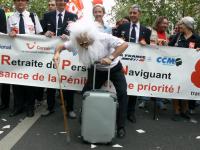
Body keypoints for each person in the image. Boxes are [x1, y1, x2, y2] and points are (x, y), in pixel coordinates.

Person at [53, 20, 128, 138]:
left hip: (113, 68)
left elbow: (124, 44)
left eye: (86, 42)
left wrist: (111, 57)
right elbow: (60, 46)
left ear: (91, 36)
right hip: (96, 69)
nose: (84, 45)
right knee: (86, 93)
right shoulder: (78, 40)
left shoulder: (104, 37)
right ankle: (86, 117)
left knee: (122, 93)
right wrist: (57, 54)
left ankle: (121, 126)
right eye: (81, 44)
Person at [41, 0, 77, 118]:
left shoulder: (73, 16)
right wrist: (45, 33)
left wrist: (70, 36)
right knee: (51, 79)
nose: (60, 2)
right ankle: (50, 107)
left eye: (63, 0)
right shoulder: (47, 16)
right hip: (50, 52)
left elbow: (77, 34)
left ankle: (70, 108)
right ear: (55, 2)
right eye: (58, 0)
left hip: (67, 52)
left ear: (66, 2)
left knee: (68, 79)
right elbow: (40, 31)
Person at [7, 0, 43, 117]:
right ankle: (18, 106)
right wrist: (10, 34)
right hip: (16, 56)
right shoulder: (11, 18)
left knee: (30, 82)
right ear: (15, 3)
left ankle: (30, 107)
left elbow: (40, 35)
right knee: (16, 82)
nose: (20, 2)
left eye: (22, 0)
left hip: (31, 55)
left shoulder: (33, 16)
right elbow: (6, 37)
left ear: (26, 2)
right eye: (17, 0)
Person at [117, 4, 151, 123]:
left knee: (134, 87)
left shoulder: (146, 30)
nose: (132, 15)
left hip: (137, 64)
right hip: (122, 62)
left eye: (134, 13)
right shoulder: (122, 27)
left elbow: (148, 46)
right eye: (130, 13)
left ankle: (131, 112)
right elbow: (115, 42)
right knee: (121, 87)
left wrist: (144, 42)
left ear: (139, 14)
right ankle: (120, 110)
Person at [168, 16, 200, 121]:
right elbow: (168, 47)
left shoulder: (197, 38)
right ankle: (176, 110)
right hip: (176, 67)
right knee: (175, 88)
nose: (179, 26)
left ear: (187, 25)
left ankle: (185, 110)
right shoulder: (177, 36)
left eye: (181, 24)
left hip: (190, 69)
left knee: (186, 88)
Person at [0, 8, 10, 111]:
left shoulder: (0, 12)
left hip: (2, 48)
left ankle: (5, 102)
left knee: (4, 76)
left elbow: (3, 30)